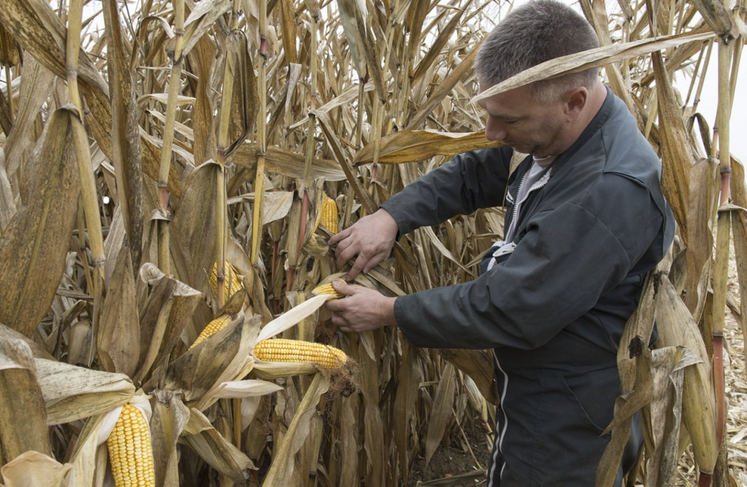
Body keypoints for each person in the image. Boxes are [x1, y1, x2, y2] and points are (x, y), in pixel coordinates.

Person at [325, 1, 675, 485]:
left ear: (574, 100)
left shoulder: (607, 191)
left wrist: (389, 312)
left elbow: (512, 308)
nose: (491, 133)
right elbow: (474, 173)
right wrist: (391, 217)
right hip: (534, 392)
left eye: (508, 120)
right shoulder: (555, 137)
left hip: (571, 418)